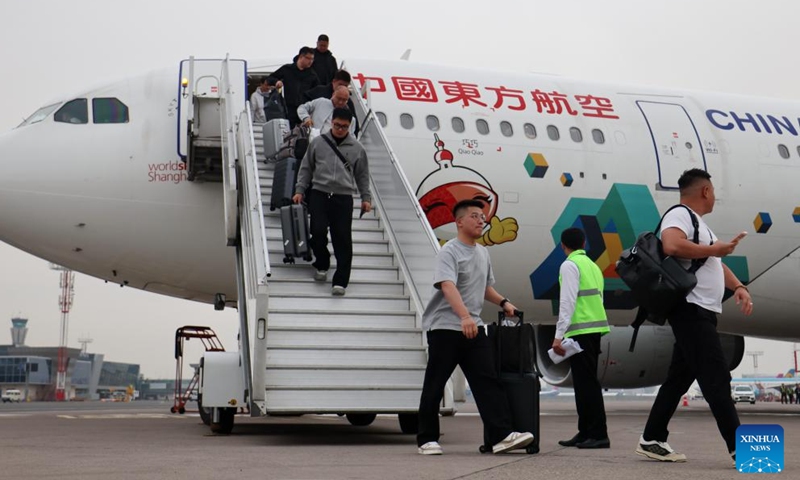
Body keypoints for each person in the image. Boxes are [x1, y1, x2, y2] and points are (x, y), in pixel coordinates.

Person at [635, 168, 753, 467]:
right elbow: (671, 245)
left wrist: (737, 286)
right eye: (712, 190)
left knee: (677, 380)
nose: (714, 195)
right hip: (691, 310)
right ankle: (741, 449)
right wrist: (716, 248)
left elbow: (711, 262)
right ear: (704, 191)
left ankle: (652, 438)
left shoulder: (700, 225)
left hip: (701, 311)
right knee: (716, 378)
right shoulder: (680, 215)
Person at [416, 199, 534, 455]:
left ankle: (502, 436)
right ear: (459, 222)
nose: (482, 220)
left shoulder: (482, 252)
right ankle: (426, 439)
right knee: (435, 384)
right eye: (474, 216)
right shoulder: (449, 251)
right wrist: (464, 317)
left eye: (483, 216)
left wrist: (503, 302)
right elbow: (447, 285)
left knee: (487, 382)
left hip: (473, 328)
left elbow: (484, 287)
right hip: (446, 328)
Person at [292, 108, 371, 296]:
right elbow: (306, 168)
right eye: (337, 125)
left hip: (343, 198)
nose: (340, 129)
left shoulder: (357, 148)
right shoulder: (318, 143)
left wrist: (366, 198)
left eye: (344, 127)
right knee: (317, 231)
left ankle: (341, 281)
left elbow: (362, 175)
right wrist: (299, 190)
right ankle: (322, 262)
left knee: (342, 239)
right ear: (331, 122)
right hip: (319, 193)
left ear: (350, 126)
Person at [552, 227, 611, 449]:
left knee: (587, 385)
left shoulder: (570, 265)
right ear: (584, 243)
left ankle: (598, 434)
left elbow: (567, 302)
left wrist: (558, 336)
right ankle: (585, 431)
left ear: (562, 246)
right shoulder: (593, 266)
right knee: (585, 383)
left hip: (580, 331)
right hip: (593, 330)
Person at [271, 47, 320, 127]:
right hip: (287, 110)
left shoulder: (312, 75)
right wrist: (276, 82)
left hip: (304, 112)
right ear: (301, 57)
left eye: (312, 59)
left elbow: (317, 92)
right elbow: (271, 78)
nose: (310, 61)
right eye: (308, 58)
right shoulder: (287, 69)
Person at [303, 70, 360, 136]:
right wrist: (306, 118)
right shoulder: (319, 92)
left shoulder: (348, 103)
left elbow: (354, 127)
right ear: (334, 81)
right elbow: (303, 106)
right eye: (341, 84)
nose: (341, 102)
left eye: (346, 86)